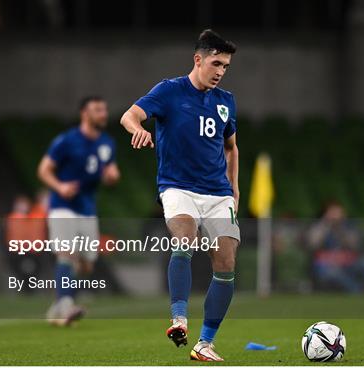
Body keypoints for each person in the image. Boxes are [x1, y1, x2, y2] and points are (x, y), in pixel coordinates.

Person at [120, 29, 240, 361]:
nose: (220, 72)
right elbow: (129, 116)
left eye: (226, 66)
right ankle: (179, 319)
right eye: (216, 63)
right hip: (177, 187)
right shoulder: (169, 91)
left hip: (218, 193)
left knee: (227, 262)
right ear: (197, 59)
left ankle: (205, 343)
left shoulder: (226, 102)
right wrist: (139, 129)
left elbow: (231, 149)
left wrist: (235, 190)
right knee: (184, 239)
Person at [37, 96, 120, 326]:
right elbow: (44, 170)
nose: (103, 114)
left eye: (104, 109)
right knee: (66, 254)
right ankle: (65, 306)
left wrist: (112, 177)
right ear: (84, 113)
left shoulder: (107, 143)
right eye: (97, 110)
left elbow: (112, 171)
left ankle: (58, 308)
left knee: (85, 265)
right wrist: (60, 186)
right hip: (62, 207)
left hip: (87, 209)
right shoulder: (66, 141)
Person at [307, 201, 364, 293]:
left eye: (338, 212)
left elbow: (355, 245)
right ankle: (357, 291)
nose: (335, 216)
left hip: (347, 263)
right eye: (332, 213)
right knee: (334, 273)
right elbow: (313, 244)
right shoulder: (318, 227)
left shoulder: (348, 227)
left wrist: (341, 230)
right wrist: (325, 225)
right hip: (327, 264)